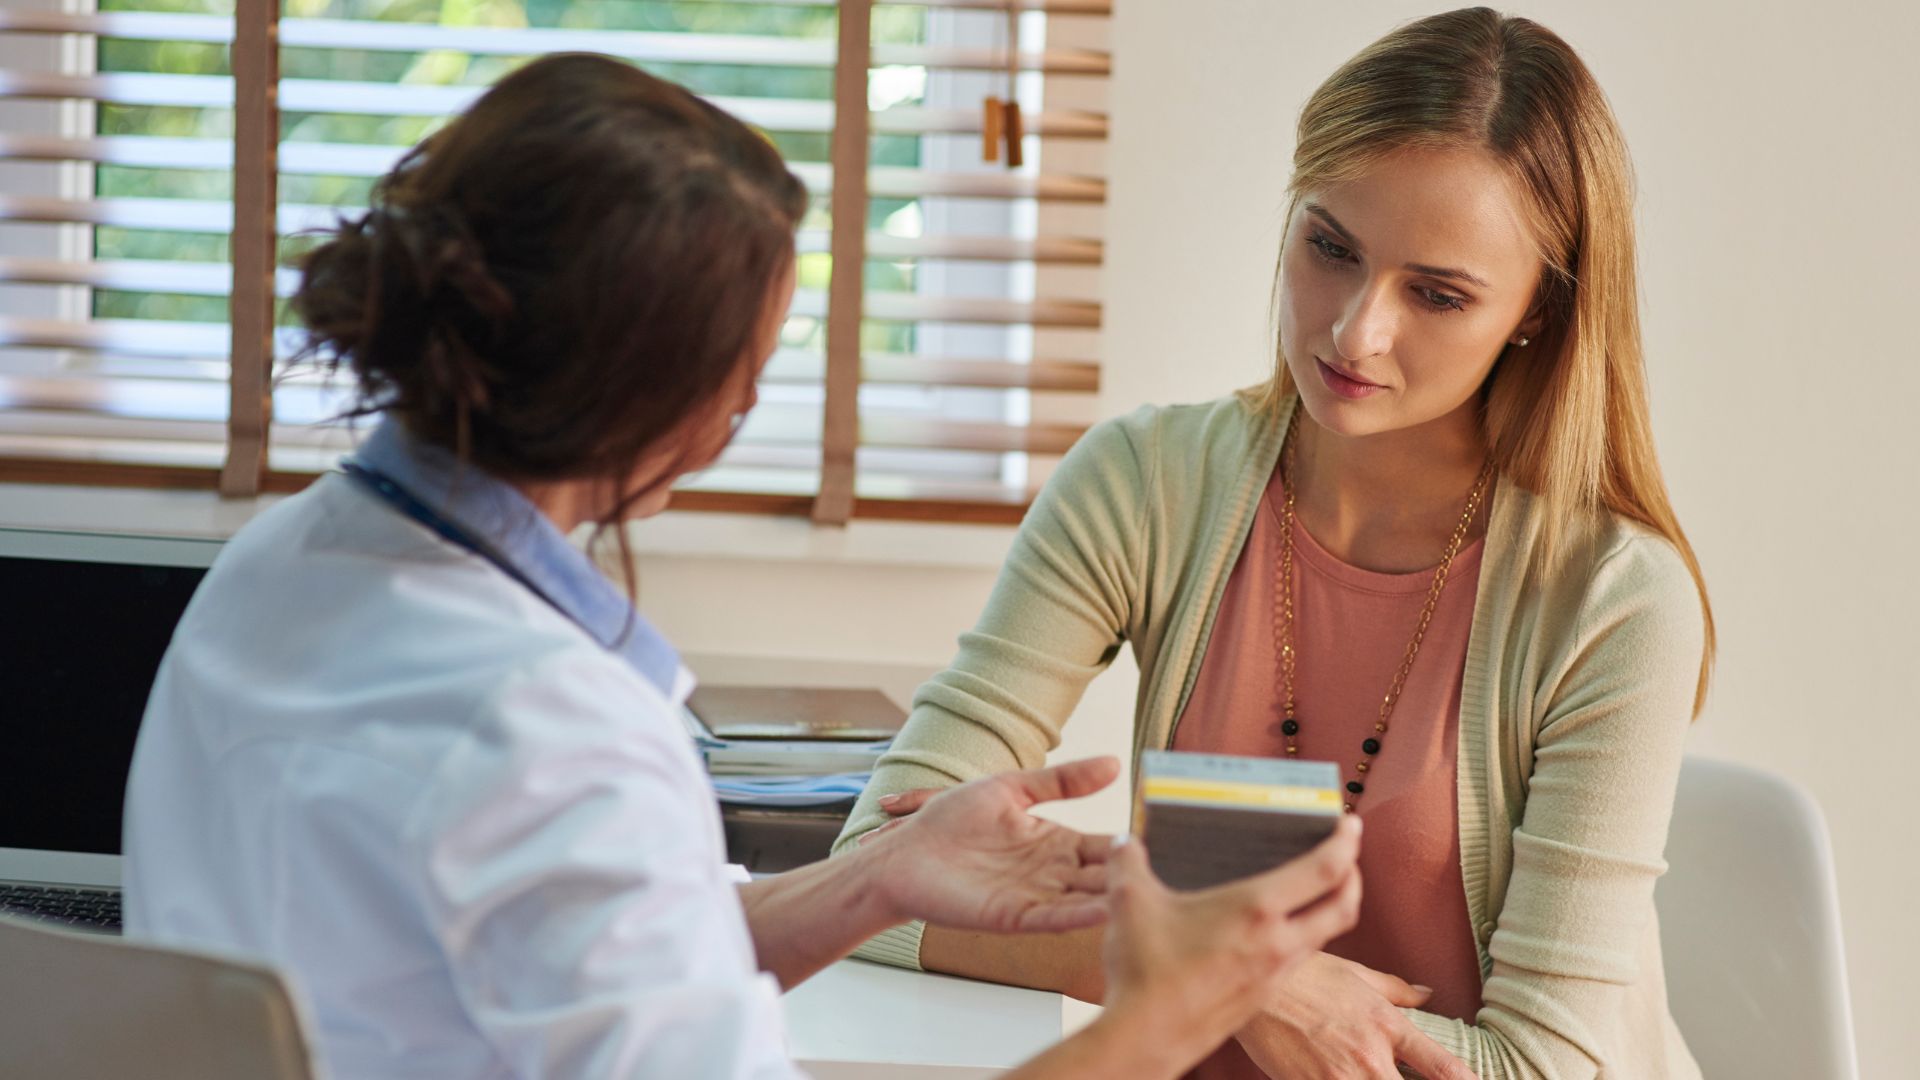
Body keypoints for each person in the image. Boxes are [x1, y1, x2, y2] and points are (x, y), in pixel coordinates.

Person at [118, 53, 1367, 1080]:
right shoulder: (546, 726)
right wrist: (1175, 1010)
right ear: (658, 405)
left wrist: (877, 880)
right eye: (750, 375)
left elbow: (567, 949)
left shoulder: (282, 562)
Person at [835, 8, 1712, 1079]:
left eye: (1436, 294)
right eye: (1330, 247)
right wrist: (1238, 976)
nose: (1355, 332)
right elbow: (867, 886)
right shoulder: (1145, 485)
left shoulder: (1611, 599)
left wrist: (1167, 958)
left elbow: (1538, 1068)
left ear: (1538, 311)